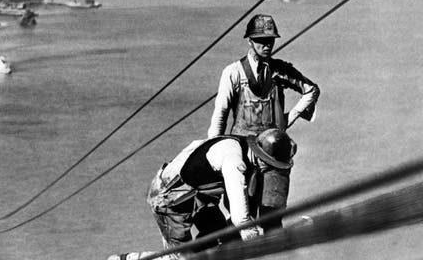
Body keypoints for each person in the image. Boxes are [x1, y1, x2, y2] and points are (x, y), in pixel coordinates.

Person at [109, 129, 296, 260]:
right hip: (169, 200)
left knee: (216, 237)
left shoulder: (240, 145)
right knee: (180, 259)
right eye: (272, 166)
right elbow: (241, 218)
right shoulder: (234, 161)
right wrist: (260, 241)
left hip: (196, 198)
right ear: (264, 160)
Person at [207, 14, 319, 230]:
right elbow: (220, 114)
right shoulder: (233, 73)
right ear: (250, 41)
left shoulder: (280, 71)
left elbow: (311, 90)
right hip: (241, 151)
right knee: (240, 215)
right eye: (260, 40)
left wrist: (290, 117)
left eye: (270, 40)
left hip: (273, 152)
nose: (266, 45)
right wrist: (215, 154)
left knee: (272, 214)